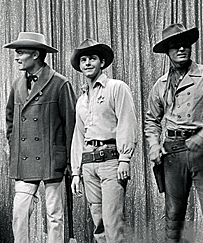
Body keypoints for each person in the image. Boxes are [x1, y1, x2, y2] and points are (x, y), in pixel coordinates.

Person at [145, 24, 203, 242]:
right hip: (173, 152)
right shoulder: (160, 85)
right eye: (175, 46)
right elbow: (152, 120)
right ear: (168, 51)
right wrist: (154, 145)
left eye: (185, 44)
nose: (181, 49)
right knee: (173, 216)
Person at [3, 32, 76, 243]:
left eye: (20, 52)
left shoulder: (60, 83)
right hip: (25, 159)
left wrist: (71, 161)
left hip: (52, 158)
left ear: (35, 54)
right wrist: (14, 144)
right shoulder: (17, 85)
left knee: (54, 215)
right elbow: (10, 119)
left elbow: (71, 124)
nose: (16, 57)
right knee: (20, 212)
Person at [70, 39, 138, 242]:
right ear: (80, 65)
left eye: (92, 58)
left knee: (112, 221)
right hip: (89, 163)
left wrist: (125, 158)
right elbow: (79, 135)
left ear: (102, 62)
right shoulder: (82, 100)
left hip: (110, 160)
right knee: (98, 223)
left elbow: (127, 121)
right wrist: (76, 171)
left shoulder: (116, 88)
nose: (88, 63)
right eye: (83, 59)